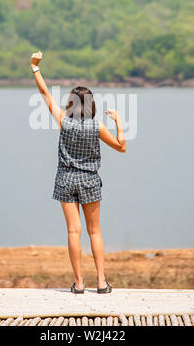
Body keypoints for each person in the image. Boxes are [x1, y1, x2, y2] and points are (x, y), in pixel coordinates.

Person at [30, 51, 126, 294]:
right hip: (90, 180)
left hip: (65, 179)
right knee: (95, 231)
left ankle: (79, 284)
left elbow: (44, 93)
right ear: (91, 104)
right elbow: (121, 147)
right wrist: (118, 122)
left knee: (73, 231)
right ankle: (102, 283)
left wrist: (35, 67)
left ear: (71, 104)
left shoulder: (64, 120)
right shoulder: (97, 126)